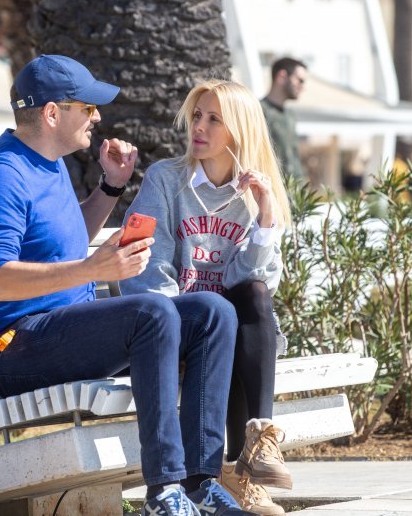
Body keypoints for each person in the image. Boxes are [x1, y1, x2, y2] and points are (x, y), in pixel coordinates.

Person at [0, 55, 252, 515]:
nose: (97, 116)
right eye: (87, 107)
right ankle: (165, 492)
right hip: (13, 347)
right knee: (150, 312)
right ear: (53, 113)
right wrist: (95, 270)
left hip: (61, 332)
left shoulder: (47, 162)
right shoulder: (3, 175)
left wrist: (110, 189)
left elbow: (61, 238)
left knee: (213, 312)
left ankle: (200, 482)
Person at [121, 79, 293, 515]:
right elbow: (148, 265)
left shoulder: (254, 194)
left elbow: (258, 284)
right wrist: (170, 334)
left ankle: (255, 453)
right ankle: (236, 478)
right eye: (197, 116)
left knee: (248, 301)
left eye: (214, 119)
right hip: (176, 323)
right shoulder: (167, 180)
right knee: (219, 324)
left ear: (239, 130)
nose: (199, 127)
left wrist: (266, 218)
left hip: (225, 330)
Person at [260, 57, 307, 179]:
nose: (303, 87)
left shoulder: (290, 115)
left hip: (295, 192)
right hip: (271, 190)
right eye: (300, 80)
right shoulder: (258, 110)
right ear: (282, 76)